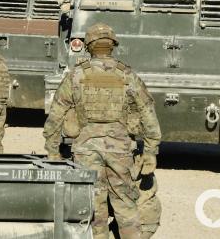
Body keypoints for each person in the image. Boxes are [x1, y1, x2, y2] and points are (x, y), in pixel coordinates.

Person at [43, 23, 161, 239]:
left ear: (88, 46)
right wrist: (150, 152)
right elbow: (148, 114)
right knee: (126, 206)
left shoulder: (77, 75)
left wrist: (52, 151)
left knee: (93, 209)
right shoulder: (127, 75)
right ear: (112, 46)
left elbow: (55, 116)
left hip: (86, 151)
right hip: (120, 150)